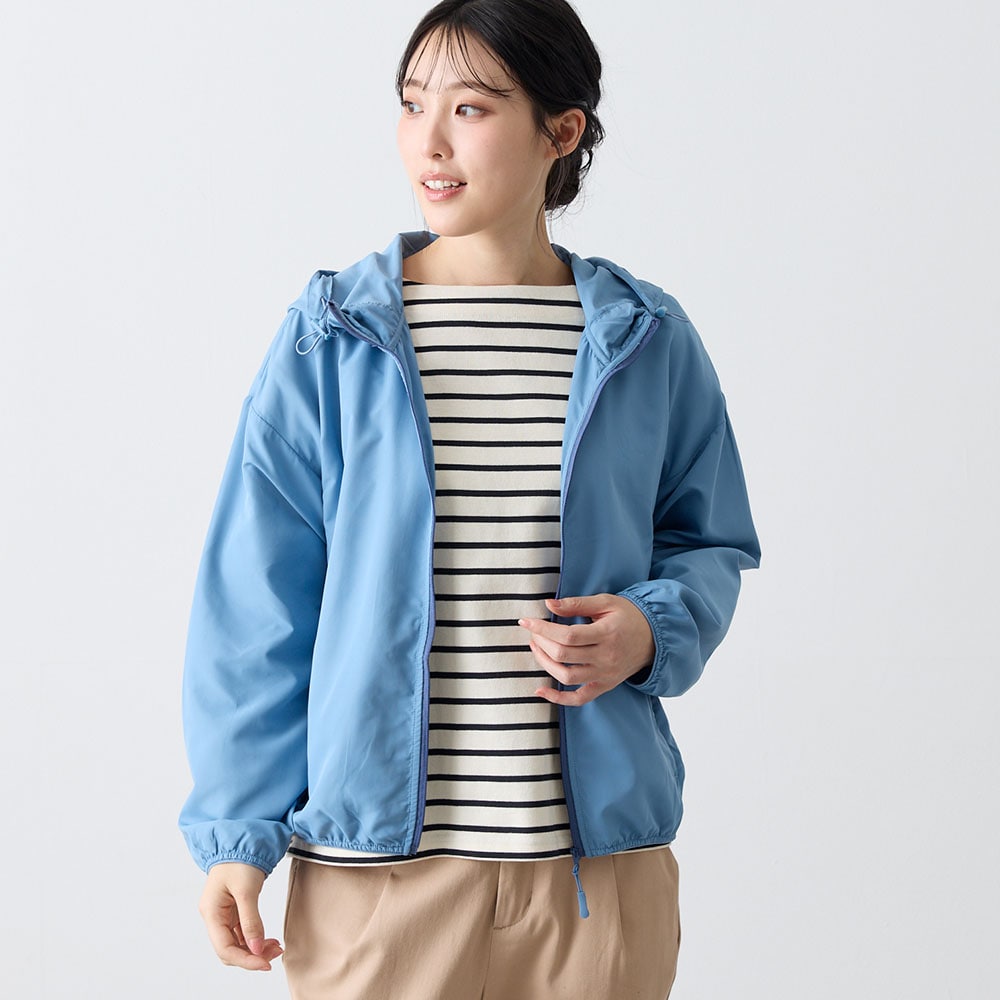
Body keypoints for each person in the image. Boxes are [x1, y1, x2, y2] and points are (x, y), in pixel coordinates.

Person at [179, 1, 760, 997]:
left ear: (560, 131)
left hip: (596, 880)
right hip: (378, 882)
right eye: (412, 105)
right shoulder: (334, 338)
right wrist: (240, 828)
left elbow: (708, 542)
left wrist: (647, 629)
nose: (429, 142)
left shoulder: (644, 338)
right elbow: (257, 598)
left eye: (471, 108)